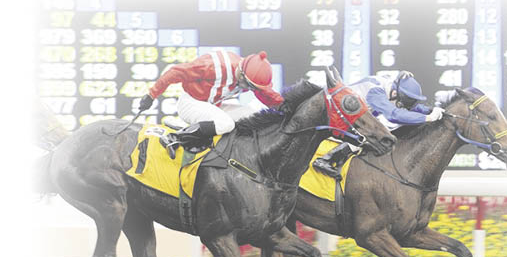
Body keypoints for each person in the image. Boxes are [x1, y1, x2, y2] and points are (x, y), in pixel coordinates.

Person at [138, 50, 284, 158]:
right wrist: (151, 95)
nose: (249, 89)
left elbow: (266, 95)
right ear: (241, 73)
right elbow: (175, 72)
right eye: (248, 85)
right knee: (226, 124)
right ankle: (175, 138)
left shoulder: (248, 74)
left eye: (252, 87)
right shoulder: (213, 66)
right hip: (191, 103)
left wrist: (285, 107)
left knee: (251, 115)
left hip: (212, 105)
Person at [312, 70, 444, 178]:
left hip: (352, 113)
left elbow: (411, 108)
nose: (406, 106)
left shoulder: (394, 89)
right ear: (394, 93)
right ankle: (327, 159)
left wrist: (431, 110)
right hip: (336, 114)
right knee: (375, 132)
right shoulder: (376, 92)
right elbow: (394, 115)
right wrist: (427, 118)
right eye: (404, 103)